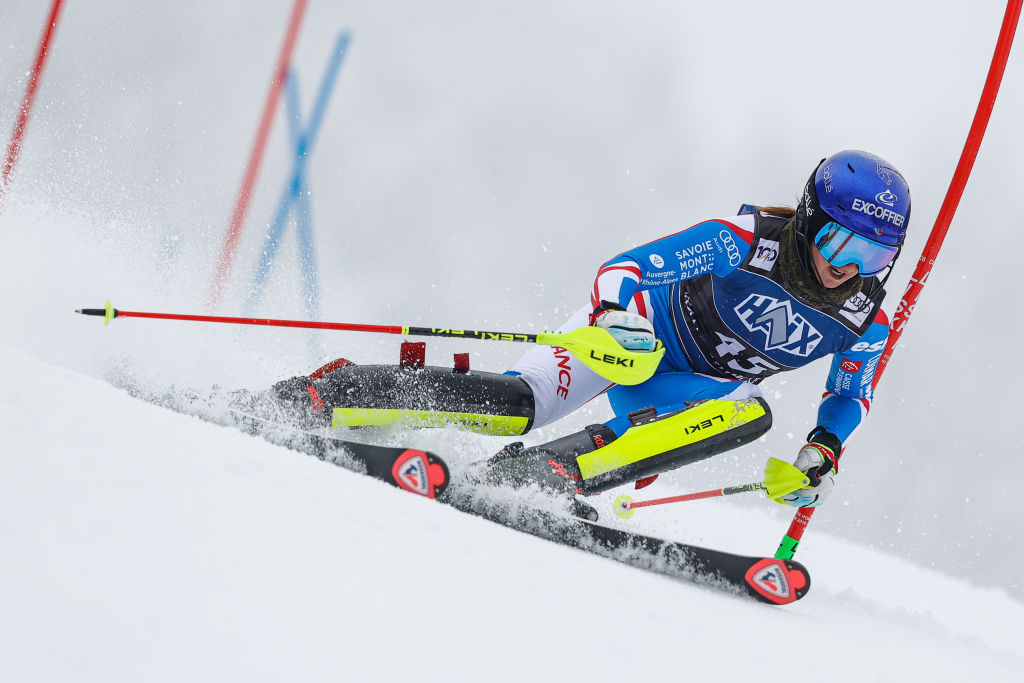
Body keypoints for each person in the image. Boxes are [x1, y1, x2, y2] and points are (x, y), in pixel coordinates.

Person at [271, 149, 910, 510]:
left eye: (874, 257)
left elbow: (848, 396)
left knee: (752, 413)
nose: (846, 268)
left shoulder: (865, 316)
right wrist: (614, 321)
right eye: (838, 240)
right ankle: (340, 393)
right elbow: (625, 267)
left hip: (688, 394)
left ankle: (544, 475)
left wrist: (822, 452)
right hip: (636, 343)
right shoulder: (746, 241)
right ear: (806, 218)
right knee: (520, 404)